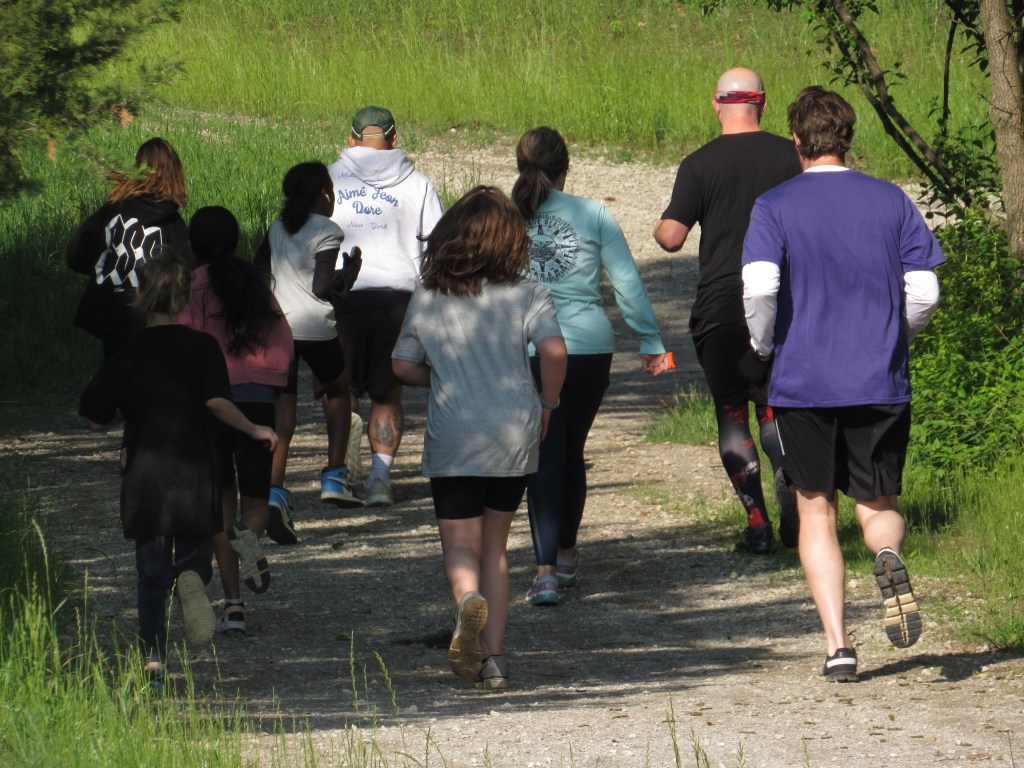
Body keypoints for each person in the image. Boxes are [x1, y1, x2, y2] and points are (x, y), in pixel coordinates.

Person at [741, 86, 943, 682]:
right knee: (878, 504)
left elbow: (760, 287)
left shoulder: (774, 205)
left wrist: (763, 344)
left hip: (804, 380)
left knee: (815, 510)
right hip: (879, 378)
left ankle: (839, 648)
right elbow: (925, 290)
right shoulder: (891, 200)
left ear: (796, 140)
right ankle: (888, 553)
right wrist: (894, 336)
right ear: (848, 137)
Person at [78, 246, 278, 690]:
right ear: (186, 296)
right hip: (195, 470)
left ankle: (153, 660)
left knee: (149, 573)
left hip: (146, 475)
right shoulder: (202, 346)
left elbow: (95, 418)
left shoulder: (127, 352)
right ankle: (191, 576)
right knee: (193, 551)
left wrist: (124, 409)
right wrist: (254, 429)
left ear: (139, 295)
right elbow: (216, 401)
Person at [392, 186, 567, 689]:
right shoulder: (529, 293)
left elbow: (401, 365)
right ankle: (494, 661)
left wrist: (442, 376)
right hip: (513, 432)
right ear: (511, 241)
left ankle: (468, 600)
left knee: (460, 546)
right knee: (496, 549)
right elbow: (555, 352)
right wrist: (548, 403)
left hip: (455, 435)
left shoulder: (429, 297)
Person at [512, 126, 670, 606]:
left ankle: (543, 573)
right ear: (566, 167)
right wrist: (650, 339)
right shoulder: (594, 214)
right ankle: (566, 554)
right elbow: (626, 282)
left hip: (530, 349)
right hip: (589, 349)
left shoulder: (506, 215)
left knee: (543, 454)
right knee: (570, 449)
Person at [653, 67, 802, 555]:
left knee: (732, 413)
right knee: (775, 406)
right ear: (763, 103)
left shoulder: (699, 164)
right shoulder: (792, 155)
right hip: (783, 304)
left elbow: (671, 238)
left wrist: (662, 225)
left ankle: (757, 526)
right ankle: (791, 478)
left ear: (716, 104)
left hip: (721, 307)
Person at [181, 206, 294, 633]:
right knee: (256, 502)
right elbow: (283, 339)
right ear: (237, 243)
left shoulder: (191, 287)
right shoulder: (256, 284)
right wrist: (274, 383)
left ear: (191, 246)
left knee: (221, 502)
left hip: (210, 404)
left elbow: (183, 339)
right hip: (257, 402)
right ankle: (249, 534)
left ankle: (233, 608)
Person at [327, 106, 444, 507]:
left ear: (350, 140)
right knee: (387, 392)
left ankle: (340, 473)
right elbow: (437, 248)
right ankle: (380, 479)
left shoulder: (329, 179)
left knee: (340, 390)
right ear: (394, 140)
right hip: (396, 301)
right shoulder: (418, 184)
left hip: (341, 296)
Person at [255, 161, 364, 540]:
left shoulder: (277, 228)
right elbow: (321, 286)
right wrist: (349, 273)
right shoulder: (328, 230)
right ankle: (335, 477)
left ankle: (274, 491)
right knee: (338, 390)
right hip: (316, 328)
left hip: (279, 328)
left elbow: (261, 273)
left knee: (283, 412)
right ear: (323, 193)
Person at [68, 137, 192, 359]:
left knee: (115, 369)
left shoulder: (113, 208)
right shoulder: (173, 223)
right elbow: (187, 272)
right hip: (153, 314)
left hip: (111, 314)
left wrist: (103, 273)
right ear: (175, 172)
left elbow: (76, 254)